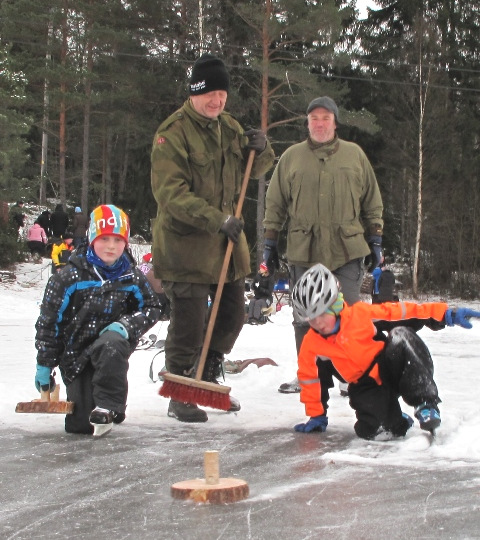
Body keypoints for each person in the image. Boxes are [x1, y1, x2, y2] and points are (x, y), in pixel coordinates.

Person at [151, 53, 275, 423]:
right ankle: (179, 392)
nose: (217, 101)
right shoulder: (172, 134)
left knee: (233, 318)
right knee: (188, 325)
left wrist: (261, 147)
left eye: (222, 93)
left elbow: (259, 167)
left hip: (226, 246)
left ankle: (205, 378)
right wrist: (215, 219)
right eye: (210, 94)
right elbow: (171, 194)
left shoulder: (230, 128)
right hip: (186, 246)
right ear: (194, 93)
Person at [262, 96, 384, 396]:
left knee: (350, 313)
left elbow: (372, 201)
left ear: (335, 122)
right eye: (314, 118)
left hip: (347, 249)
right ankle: (310, 371)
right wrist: (270, 244)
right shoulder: (291, 157)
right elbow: (275, 203)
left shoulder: (355, 155)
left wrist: (376, 238)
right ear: (307, 122)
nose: (319, 123)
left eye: (325, 118)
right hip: (305, 248)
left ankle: (349, 371)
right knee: (304, 315)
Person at [291, 263, 480, 440]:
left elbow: (405, 312)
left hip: (390, 366)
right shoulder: (312, 344)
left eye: (322, 315)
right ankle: (394, 417)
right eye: (311, 319)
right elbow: (310, 378)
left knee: (401, 335)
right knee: (377, 431)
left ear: (335, 306)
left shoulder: (361, 315)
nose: (318, 324)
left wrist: (445, 314)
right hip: (365, 387)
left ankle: (425, 403)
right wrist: (317, 415)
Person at [34, 204, 162, 435]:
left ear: (125, 242)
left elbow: (152, 307)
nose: (111, 247)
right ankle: (98, 407)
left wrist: (125, 326)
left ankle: (109, 406)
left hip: (111, 346)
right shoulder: (67, 277)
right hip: (75, 355)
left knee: (111, 343)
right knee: (81, 426)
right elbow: (49, 322)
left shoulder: (131, 276)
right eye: (105, 239)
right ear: (92, 239)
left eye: (118, 240)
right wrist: (45, 364)